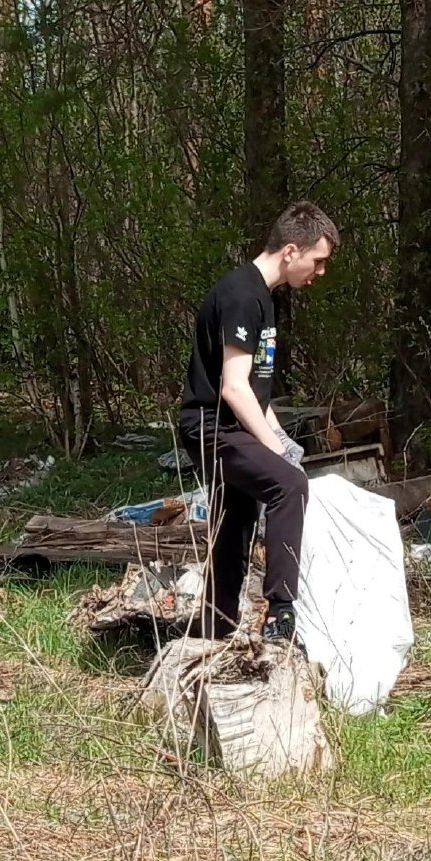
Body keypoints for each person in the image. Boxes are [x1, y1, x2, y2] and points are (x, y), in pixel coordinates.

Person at [176, 202, 340, 644]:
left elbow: (255, 390)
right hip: (212, 427)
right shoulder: (241, 295)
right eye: (318, 260)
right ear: (291, 250)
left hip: (233, 426)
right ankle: (281, 616)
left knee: (235, 524)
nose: (320, 272)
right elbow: (232, 388)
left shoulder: (265, 299)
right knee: (289, 486)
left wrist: (284, 438)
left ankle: (215, 632)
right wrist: (278, 451)